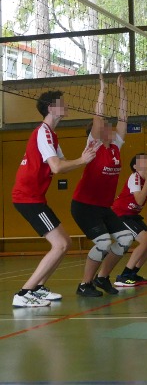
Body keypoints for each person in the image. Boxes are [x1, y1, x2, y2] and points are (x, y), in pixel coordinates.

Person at [11, 90, 96, 308]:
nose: (66, 106)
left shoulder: (51, 134)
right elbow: (57, 168)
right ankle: (24, 293)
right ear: (51, 108)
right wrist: (82, 160)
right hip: (27, 198)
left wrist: (83, 158)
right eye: (62, 103)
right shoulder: (43, 132)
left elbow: (63, 165)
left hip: (34, 197)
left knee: (64, 243)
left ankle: (38, 288)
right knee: (59, 244)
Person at [71, 74, 135, 297]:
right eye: (106, 126)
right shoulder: (95, 144)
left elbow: (123, 118)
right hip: (84, 206)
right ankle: (84, 284)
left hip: (103, 207)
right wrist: (103, 89)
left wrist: (122, 92)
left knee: (126, 239)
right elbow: (98, 116)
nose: (111, 127)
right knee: (103, 243)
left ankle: (102, 277)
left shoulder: (116, 145)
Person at [110, 153, 147, 287]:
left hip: (132, 215)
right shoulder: (134, 178)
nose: (146, 162)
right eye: (142, 161)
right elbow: (140, 201)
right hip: (121, 214)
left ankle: (132, 274)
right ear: (135, 166)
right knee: (145, 240)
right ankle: (123, 276)